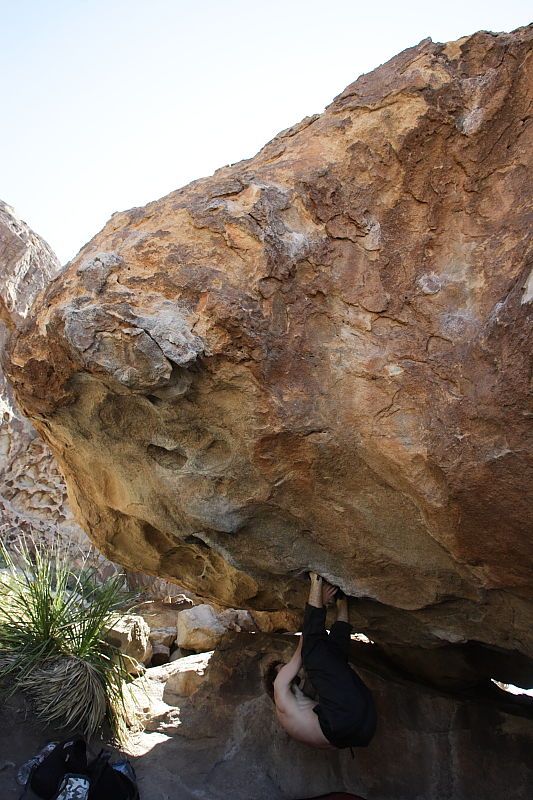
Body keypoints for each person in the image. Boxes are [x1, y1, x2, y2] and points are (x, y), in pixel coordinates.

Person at [267, 572, 376, 750]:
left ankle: (342, 603)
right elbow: (303, 652)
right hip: (342, 721)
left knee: (333, 659)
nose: (288, 669)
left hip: (362, 730)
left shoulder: (295, 708)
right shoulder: (279, 688)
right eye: (282, 668)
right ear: (275, 678)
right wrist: (321, 603)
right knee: (312, 655)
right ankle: (316, 580)